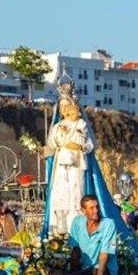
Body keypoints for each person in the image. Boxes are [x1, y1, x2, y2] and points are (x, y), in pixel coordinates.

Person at [45, 96, 94, 234]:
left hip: (76, 164)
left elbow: (90, 145)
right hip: (61, 164)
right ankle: (59, 228)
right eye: (62, 107)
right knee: (60, 193)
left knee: (76, 193)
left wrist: (80, 145)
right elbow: (51, 146)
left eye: (68, 105)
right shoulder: (57, 127)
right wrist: (39, 149)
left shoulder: (81, 124)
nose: (65, 109)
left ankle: (77, 227)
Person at [68, 195, 118, 275]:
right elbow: (75, 251)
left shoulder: (108, 224)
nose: (96, 210)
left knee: (96, 270)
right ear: (83, 210)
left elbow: (104, 255)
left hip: (105, 270)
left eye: (97, 207)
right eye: (91, 208)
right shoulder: (77, 222)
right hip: (86, 268)